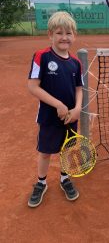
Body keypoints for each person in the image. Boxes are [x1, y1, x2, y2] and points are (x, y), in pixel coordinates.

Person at [27, 11, 83, 207]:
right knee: (45, 152)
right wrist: (58, 104)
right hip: (49, 118)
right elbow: (33, 86)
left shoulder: (76, 62)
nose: (64, 37)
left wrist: (77, 109)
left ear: (74, 35)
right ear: (50, 34)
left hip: (71, 118)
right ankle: (41, 182)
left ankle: (64, 178)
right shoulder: (41, 56)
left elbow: (79, 88)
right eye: (59, 33)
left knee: (67, 150)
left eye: (68, 33)